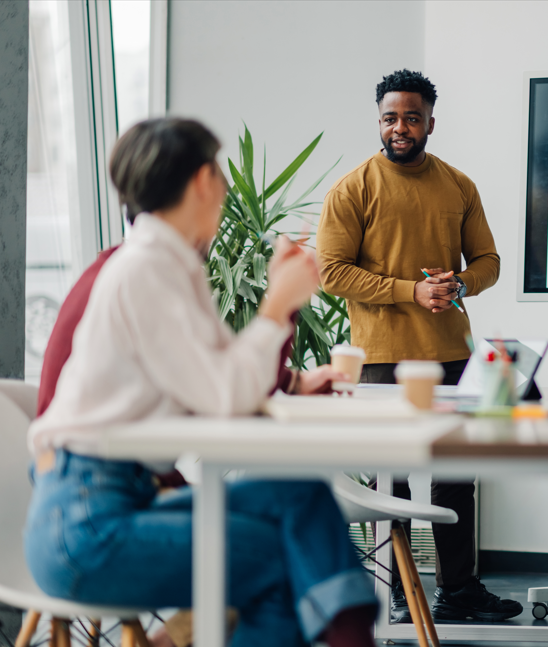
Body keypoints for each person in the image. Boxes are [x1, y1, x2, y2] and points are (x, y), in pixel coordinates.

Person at [25, 118, 378, 647]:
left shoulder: (168, 266)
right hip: (87, 524)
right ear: (202, 181)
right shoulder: (146, 270)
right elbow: (225, 396)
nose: (226, 187)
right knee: (279, 560)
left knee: (299, 495)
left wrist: (279, 309)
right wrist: (277, 306)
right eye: (218, 171)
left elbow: (228, 378)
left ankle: (351, 635)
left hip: (115, 499)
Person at [316, 69, 519, 624]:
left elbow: (489, 261)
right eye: (390, 118)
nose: (400, 128)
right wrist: (412, 290)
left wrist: (461, 283)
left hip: (453, 354)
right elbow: (332, 272)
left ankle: (459, 591)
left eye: (411, 118)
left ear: (431, 122)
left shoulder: (458, 185)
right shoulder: (353, 188)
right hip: (383, 359)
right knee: (393, 479)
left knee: (457, 478)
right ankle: (399, 593)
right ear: (379, 121)